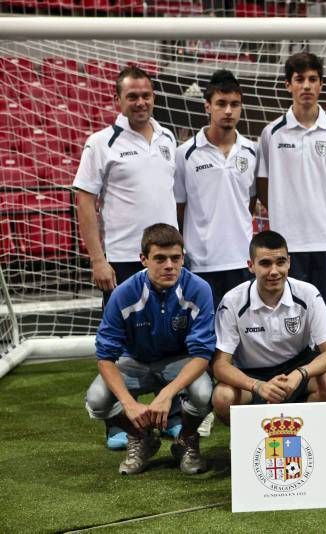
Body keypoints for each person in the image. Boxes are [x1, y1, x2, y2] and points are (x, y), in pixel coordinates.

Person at [73, 65, 181, 449]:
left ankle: (173, 415)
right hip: (121, 261)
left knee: (174, 340)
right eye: (132, 96)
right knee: (121, 347)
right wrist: (98, 259)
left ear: (154, 97)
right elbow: (85, 201)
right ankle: (118, 421)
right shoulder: (101, 142)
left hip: (167, 259)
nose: (140, 102)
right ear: (117, 100)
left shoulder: (169, 138)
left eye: (146, 95)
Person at [84, 224, 215, 475]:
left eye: (175, 258)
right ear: (143, 259)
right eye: (160, 259)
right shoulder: (123, 294)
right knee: (97, 400)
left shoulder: (199, 289)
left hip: (179, 362)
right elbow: (105, 357)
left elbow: (202, 354)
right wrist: (128, 404)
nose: (169, 265)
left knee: (203, 393)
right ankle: (140, 436)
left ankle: (186, 440)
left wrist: (167, 394)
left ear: (183, 258)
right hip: (133, 361)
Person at [256, 52, 326, 319]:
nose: (306, 86)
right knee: (292, 318)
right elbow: (263, 185)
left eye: (313, 79)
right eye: (300, 79)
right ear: (288, 85)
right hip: (288, 243)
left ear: (321, 84)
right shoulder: (271, 132)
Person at [211, 231, 326, 424]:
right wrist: (257, 386)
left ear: (289, 262)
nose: (274, 271)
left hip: (297, 367)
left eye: (280, 262)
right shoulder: (232, 301)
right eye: (265, 263)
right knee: (223, 398)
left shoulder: (308, 294)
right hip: (251, 374)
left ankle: (302, 430)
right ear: (251, 266)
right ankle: (253, 439)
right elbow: (220, 365)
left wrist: (300, 374)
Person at [175, 69, 257, 308]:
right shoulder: (185, 154)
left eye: (235, 104)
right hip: (201, 263)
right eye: (221, 103)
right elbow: (179, 209)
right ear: (207, 107)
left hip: (242, 261)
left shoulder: (252, 151)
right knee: (204, 336)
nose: (229, 110)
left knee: (241, 337)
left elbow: (248, 202)